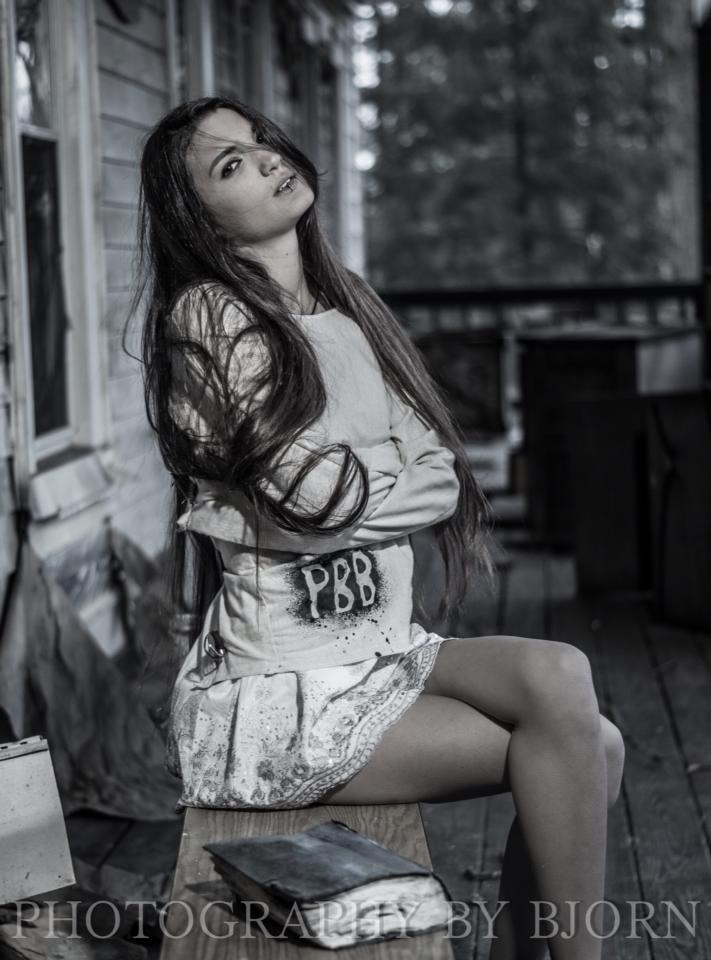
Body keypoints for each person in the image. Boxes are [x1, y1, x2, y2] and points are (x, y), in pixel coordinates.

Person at [134, 96, 625, 960]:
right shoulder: (208, 318)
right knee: (585, 750)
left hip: (381, 651)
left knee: (567, 682)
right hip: (290, 694)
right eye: (230, 165)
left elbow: (436, 476)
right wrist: (367, 479)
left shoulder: (343, 306)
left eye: (259, 143)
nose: (268, 158)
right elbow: (307, 500)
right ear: (199, 220)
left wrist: (352, 485)